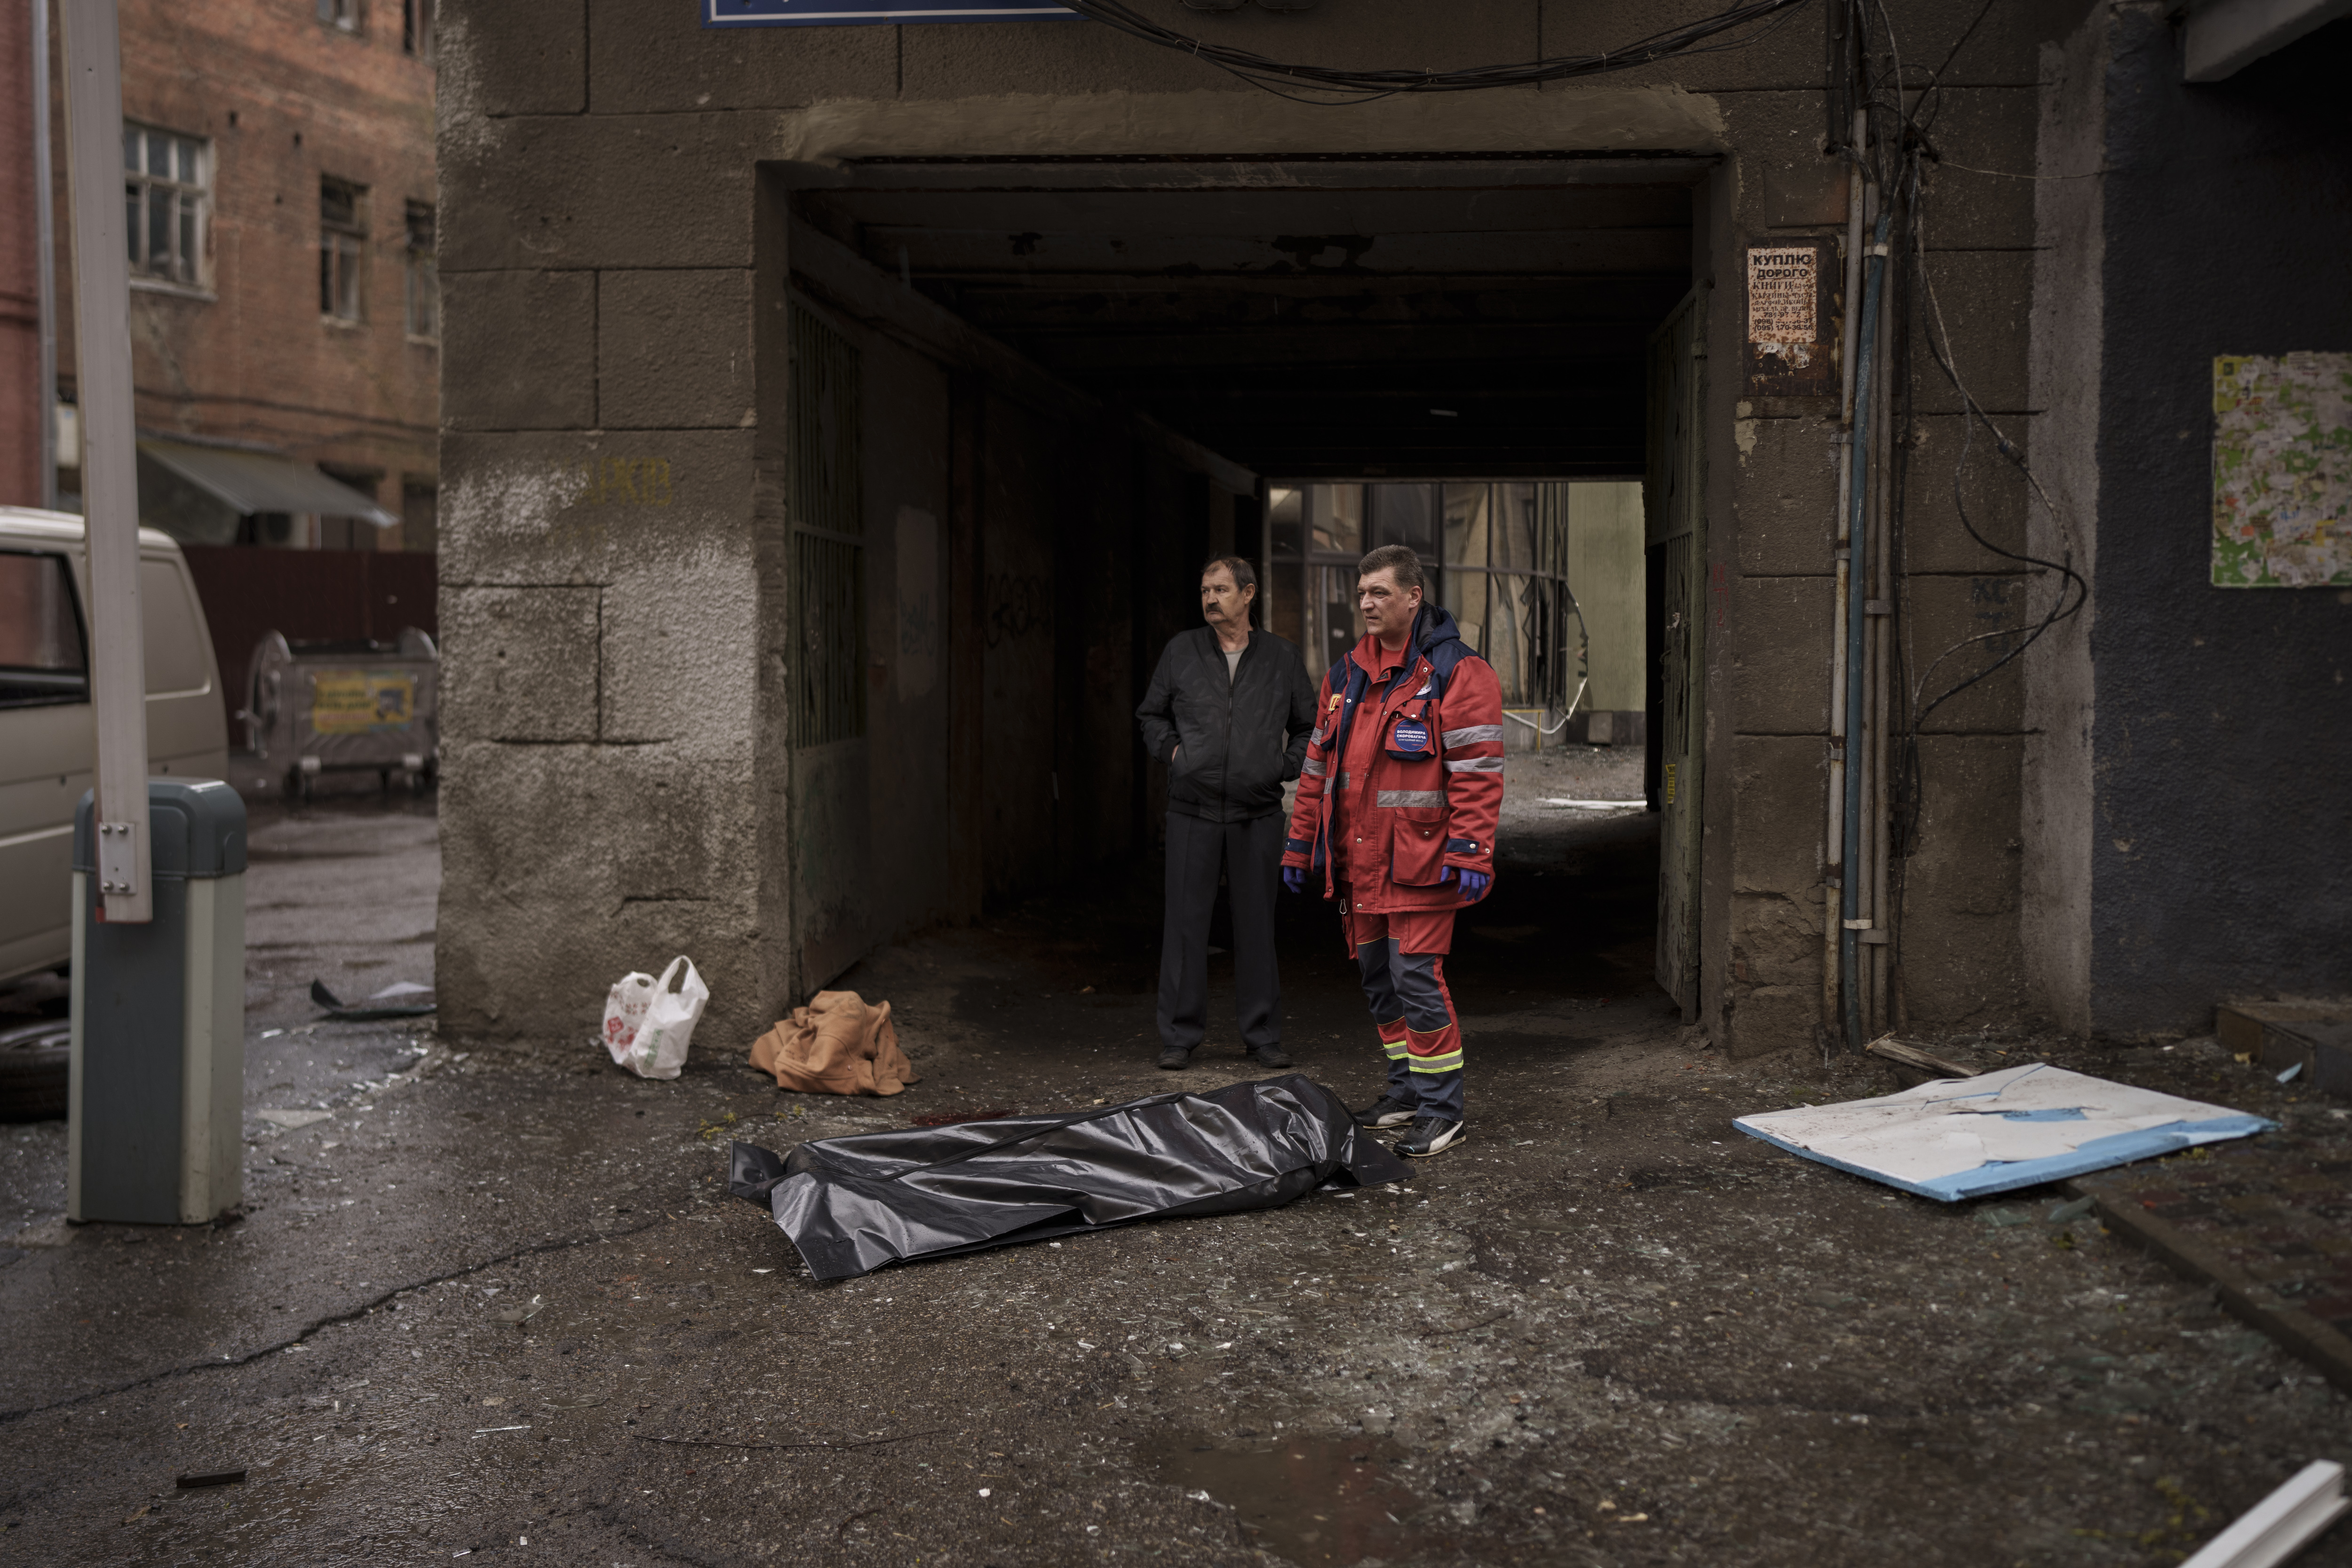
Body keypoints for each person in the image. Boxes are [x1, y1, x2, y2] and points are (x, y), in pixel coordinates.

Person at [1281, 544, 1502, 1157]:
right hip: (1362, 865)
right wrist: (1299, 845)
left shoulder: (1458, 673)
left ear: (1413, 596)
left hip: (1422, 863)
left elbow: (1479, 770)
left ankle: (1442, 1110)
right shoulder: (1345, 675)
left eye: (1380, 593)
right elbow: (1317, 771)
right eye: (1362, 595)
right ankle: (1406, 1091)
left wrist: (1473, 849)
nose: (1367, 604)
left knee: (1416, 980)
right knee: (1380, 982)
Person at [1136, 556, 1316, 1072]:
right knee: (1185, 925)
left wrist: (1282, 766)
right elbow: (1151, 713)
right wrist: (1175, 755)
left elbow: (1309, 724)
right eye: (1204, 591)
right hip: (1191, 809)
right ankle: (1178, 1036)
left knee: (1256, 925)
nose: (1210, 599)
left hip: (1256, 811)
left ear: (1248, 594)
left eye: (1219, 589)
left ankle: (1261, 1036)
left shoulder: (1280, 658)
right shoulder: (1182, 651)